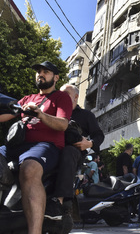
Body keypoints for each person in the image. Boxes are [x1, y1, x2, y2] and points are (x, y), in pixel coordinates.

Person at [0, 61, 73, 234]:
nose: (40, 74)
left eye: (45, 72)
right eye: (39, 71)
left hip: (45, 146)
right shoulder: (27, 98)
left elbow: (63, 124)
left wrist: (40, 113)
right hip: (17, 145)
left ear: (56, 77)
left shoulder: (61, 98)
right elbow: (7, 114)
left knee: (29, 168)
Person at [53, 84, 104, 228]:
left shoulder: (86, 115)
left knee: (69, 152)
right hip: (53, 150)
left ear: (76, 97)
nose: (62, 96)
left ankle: (61, 203)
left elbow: (99, 135)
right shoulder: (54, 111)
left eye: (66, 94)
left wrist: (89, 144)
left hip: (74, 151)